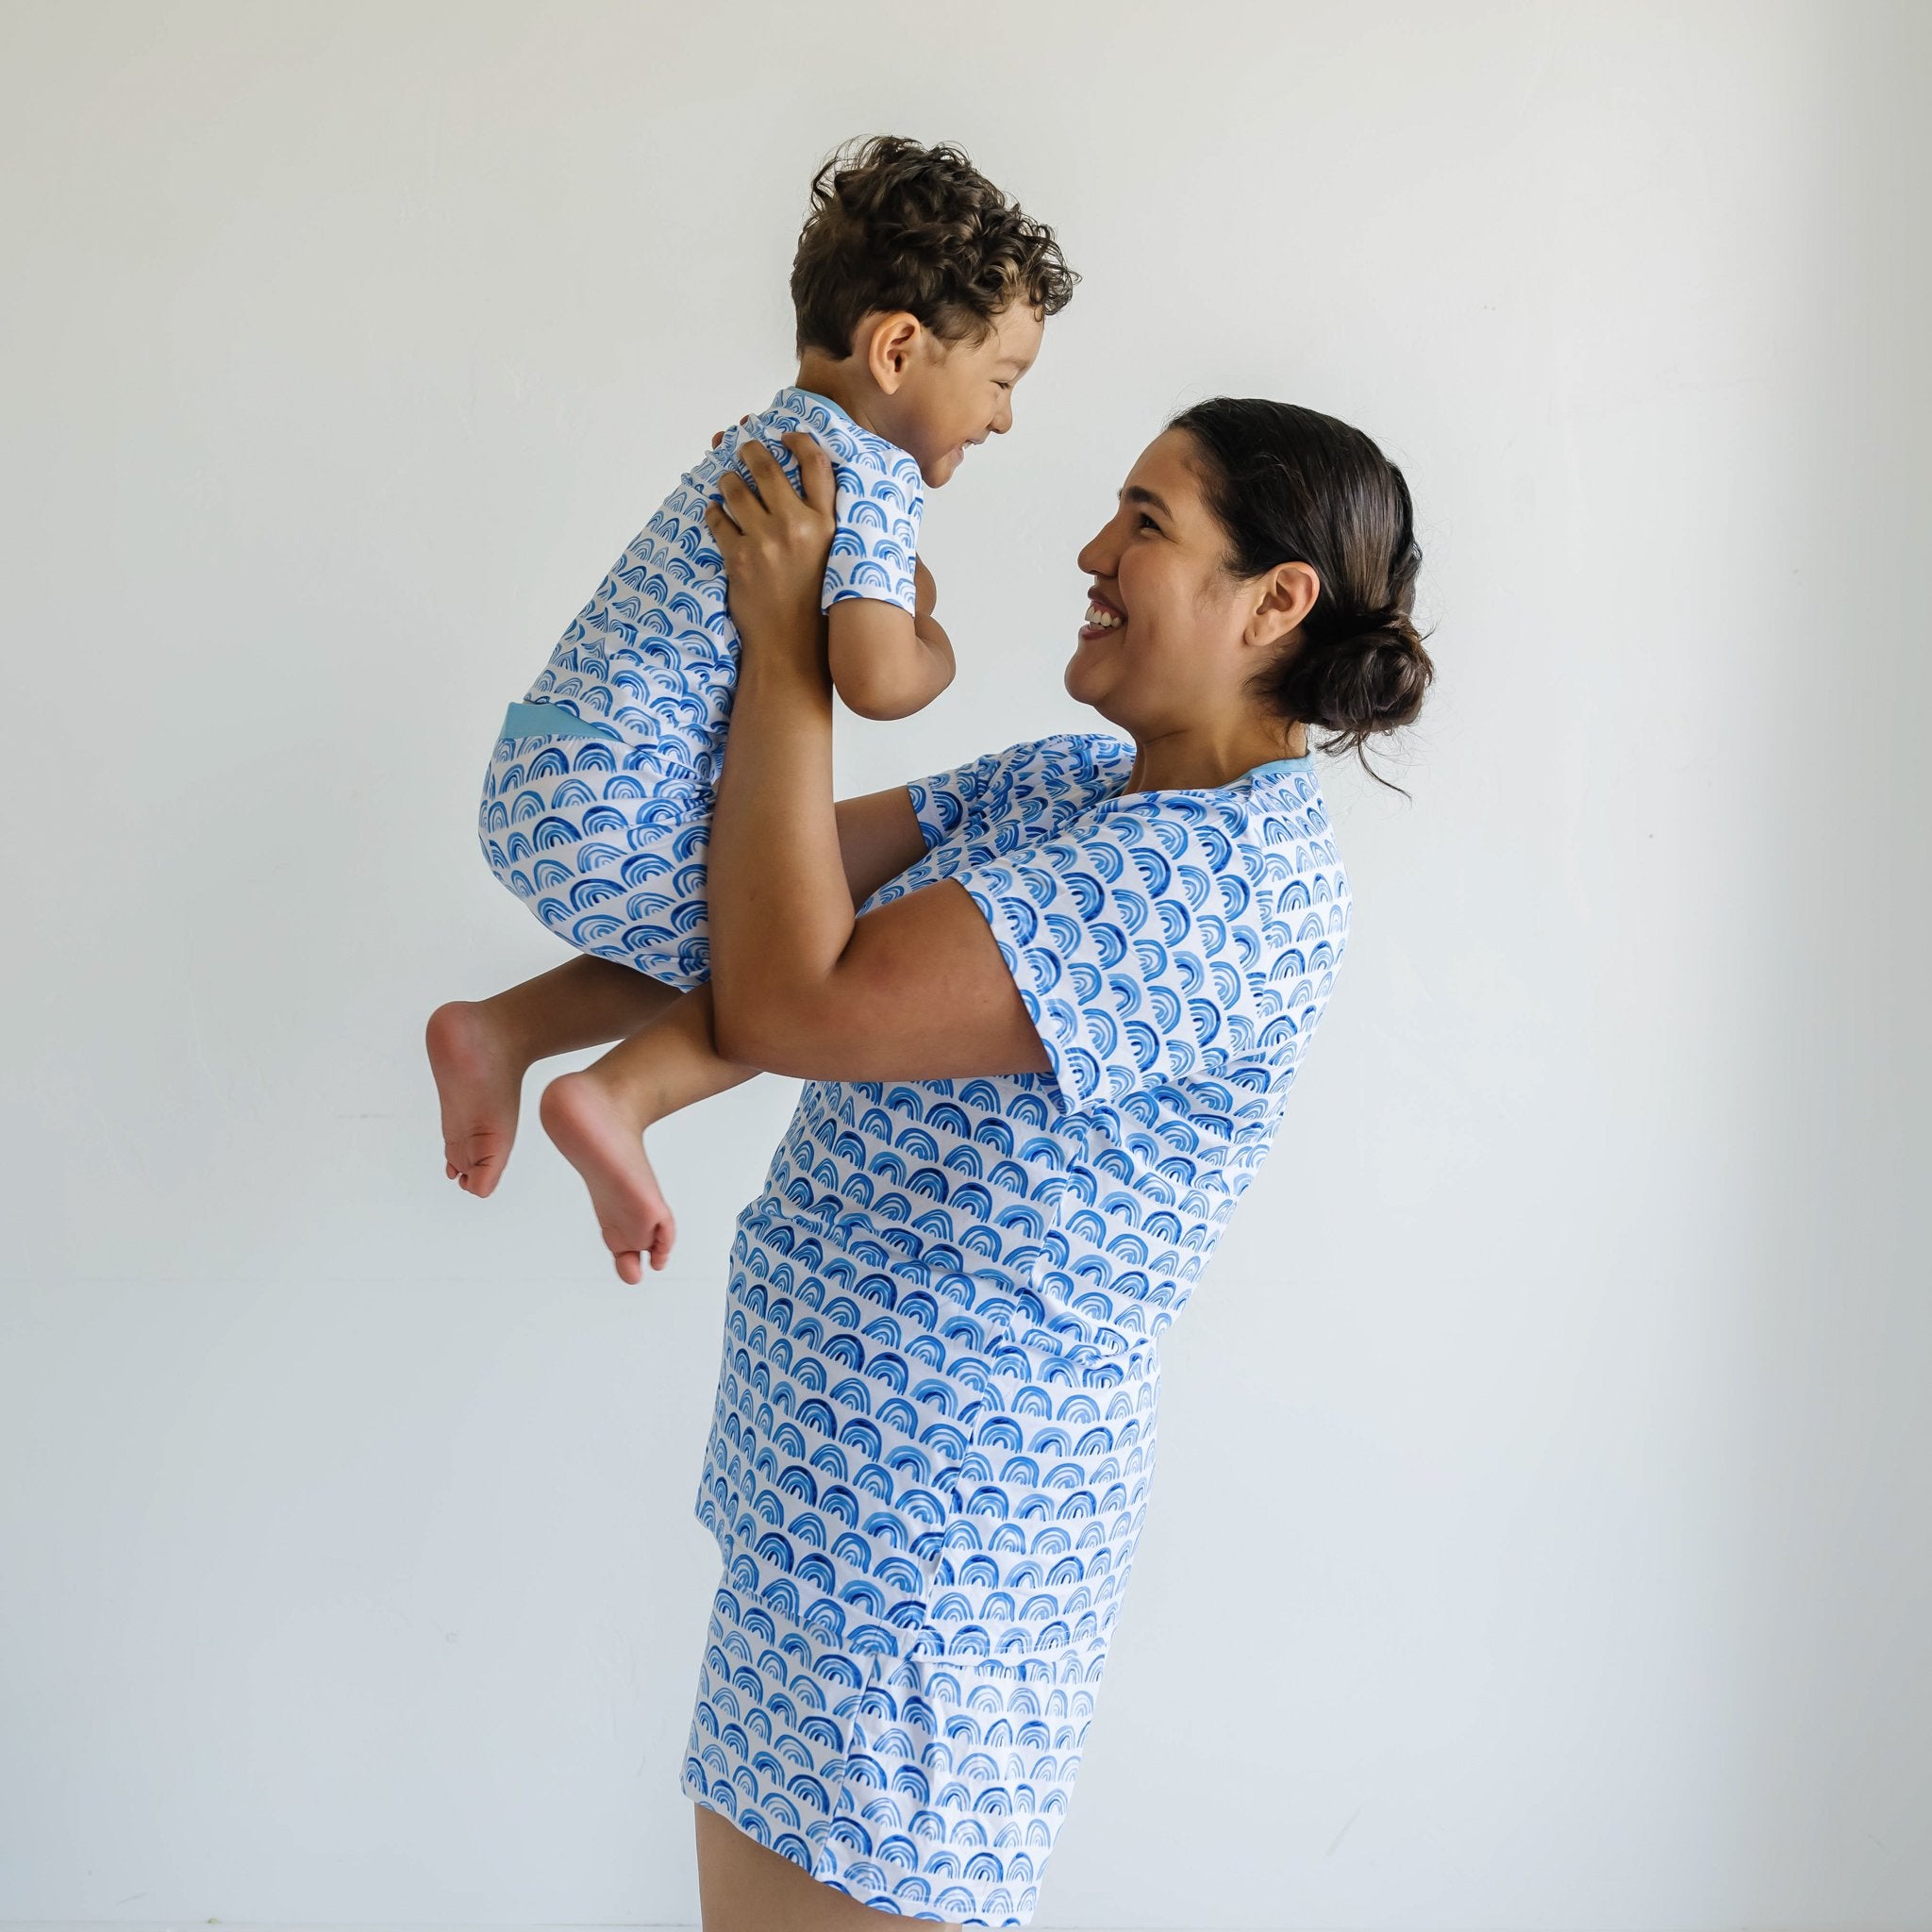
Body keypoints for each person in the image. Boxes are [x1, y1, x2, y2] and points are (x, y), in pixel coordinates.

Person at [660, 398, 1434, 1927]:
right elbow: (747, 891)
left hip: (928, 1578)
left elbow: (789, 996)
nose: (1091, 551)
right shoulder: (1064, 791)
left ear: (1274, 600)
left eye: (1145, 524)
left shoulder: (1226, 880)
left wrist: (791, 650)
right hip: (825, 1523)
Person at [424, 136, 1075, 1274]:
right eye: (1002, 380)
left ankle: (505, 1027)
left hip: (547, 763)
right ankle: (616, 1094)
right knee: (810, 946)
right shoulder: (861, 476)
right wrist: (937, 638)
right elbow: (876, 677)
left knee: (743, 909)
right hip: (616, 811)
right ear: (897, 349)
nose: (1003, 419)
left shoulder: (763, 438)